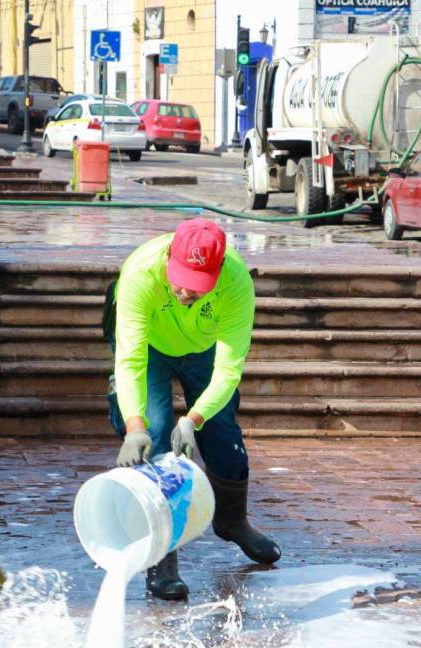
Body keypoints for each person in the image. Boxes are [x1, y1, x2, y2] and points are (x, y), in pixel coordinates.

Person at [108, 218, 281, 601]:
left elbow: (229, 369)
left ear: (218, 271)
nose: (186, 290)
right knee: (154, 436)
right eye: (181, 277)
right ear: (170, 257)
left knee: (222, 432)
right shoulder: (140, 273)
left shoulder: (236, 283)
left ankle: (233, 522)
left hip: (202, 349)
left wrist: (193, 419)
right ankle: (162, 552)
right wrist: (135, 426)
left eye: (198, 283)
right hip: (150, 349)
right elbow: (130, 361)